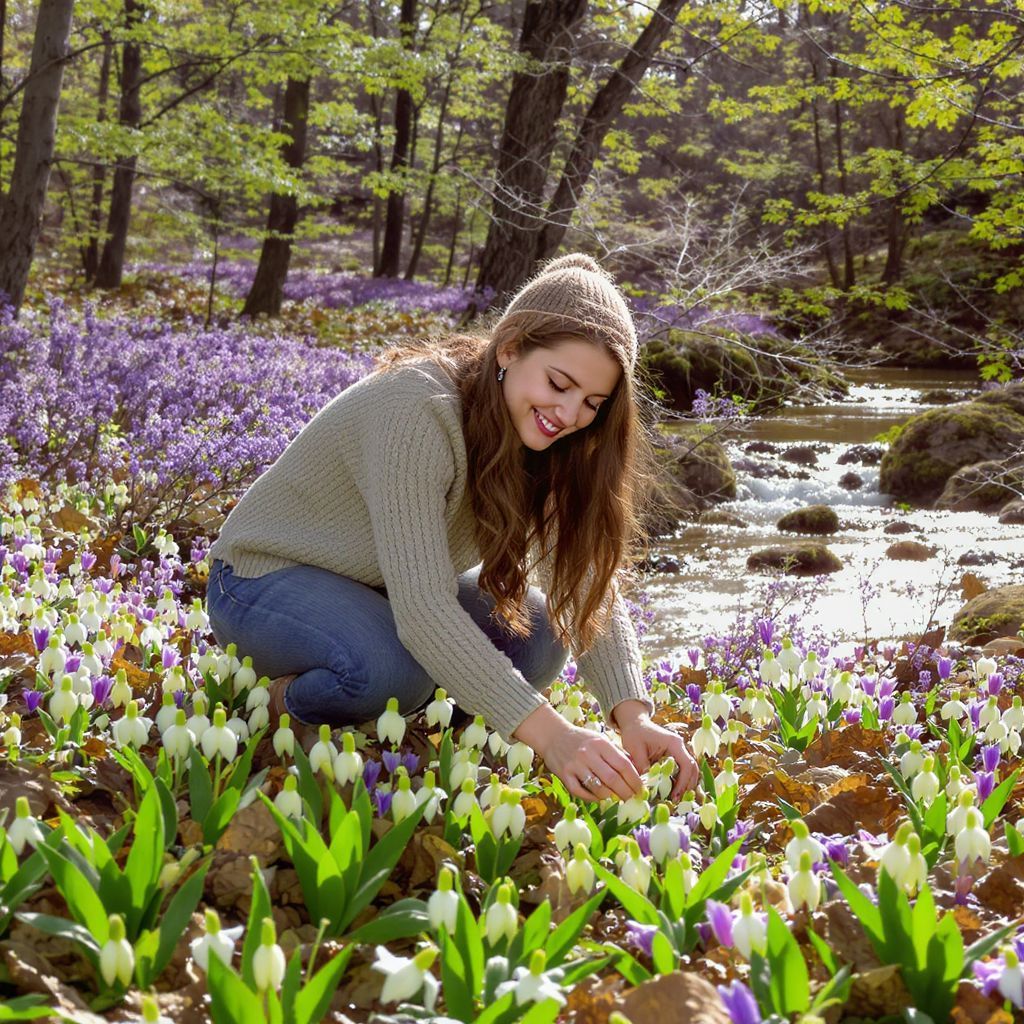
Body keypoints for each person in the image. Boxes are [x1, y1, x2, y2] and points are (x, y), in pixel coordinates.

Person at [206, 254, 698, 801]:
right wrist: (554, 738)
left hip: (374, 591)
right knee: (391, 671)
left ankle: (399, 707)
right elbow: (423, 610)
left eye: (592, 403)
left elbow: (583, 582)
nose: (568, 413)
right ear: (510, 348)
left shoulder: (549, 440)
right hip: (262, 580)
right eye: (559, 383)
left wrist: (634, 716)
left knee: (537, 636)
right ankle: (281, 702)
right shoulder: (417, 410)